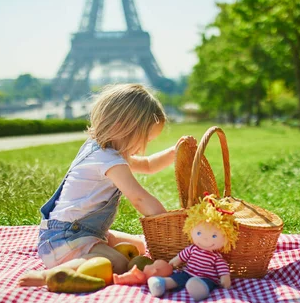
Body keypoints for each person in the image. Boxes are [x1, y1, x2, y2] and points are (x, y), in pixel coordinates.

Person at [19, 84, 184, 287]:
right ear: (124, 127)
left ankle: (95, 253)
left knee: (140, 246)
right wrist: (168, 225)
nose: (143, 147)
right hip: (65, 240)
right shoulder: (107, 159)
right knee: (118, 263)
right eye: (144, 139)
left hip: (82, 233)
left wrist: (175, 152)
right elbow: (139, 198)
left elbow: (148, 165)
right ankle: (52, 275)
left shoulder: (104, 149)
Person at [147, 194, 239, 301]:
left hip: (206, 278)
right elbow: (180, 258)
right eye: (199, 233)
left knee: (207, 284)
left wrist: (225, 280)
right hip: (187, 273)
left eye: (214, 236)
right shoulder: (192, 249)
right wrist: (171, 264)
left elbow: (223, 272)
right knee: (177, 278)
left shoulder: (216, 257)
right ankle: (160, 283)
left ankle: (199, 290)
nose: (205, 239)